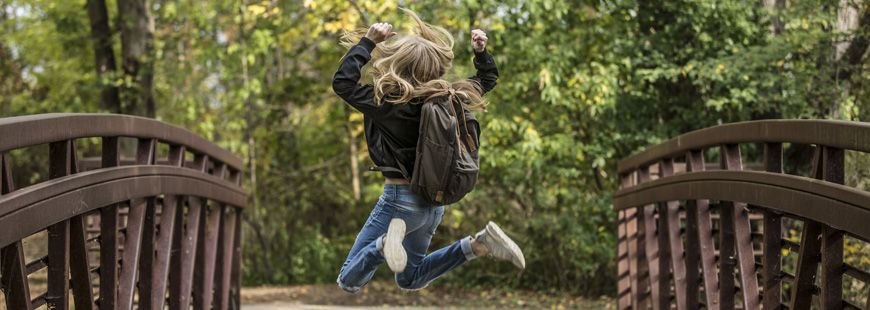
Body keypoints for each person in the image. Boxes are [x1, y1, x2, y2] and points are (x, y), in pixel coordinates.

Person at [332, 9, 525, 293]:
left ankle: (385, 244)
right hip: (433, 204)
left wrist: (368, 42)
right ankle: (479, 244)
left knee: (348, 280)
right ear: (434, 67)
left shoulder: (387, 102)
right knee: (410, 278)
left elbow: (343, 83)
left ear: (399, 62)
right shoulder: (450, 98)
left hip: (399, 202)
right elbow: (487, 80)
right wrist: (481, 53)